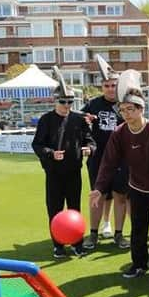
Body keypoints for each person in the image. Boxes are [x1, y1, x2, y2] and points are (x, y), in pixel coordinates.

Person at [90, 75, 149, 282]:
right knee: (138, 228)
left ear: (141, 109)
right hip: (136, 187)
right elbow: (108, 163)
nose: (126, 114)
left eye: (131, 109)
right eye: (122, 110)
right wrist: (99, 188)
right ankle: (139, 264)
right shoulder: (119, 133)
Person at [32, 74, 96, 258]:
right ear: (55, 100)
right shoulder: (45, 120)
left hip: (74, 172)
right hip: (53, 174)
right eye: (63, 101)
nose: (67, 105)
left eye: (70, 101)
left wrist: (89, 149)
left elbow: (91, 141)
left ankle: (77, 244)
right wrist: (51, 154)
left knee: (74, 209)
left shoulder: (79, 119)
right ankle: (58, 245)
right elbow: (37, 145)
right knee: (54, 209)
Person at [82, 62, 130, 250]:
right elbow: (81, 128)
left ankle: (119, 234)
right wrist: (85, 123)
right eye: (107, 85)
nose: (110, 89)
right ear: (102, 87)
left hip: (121, 160)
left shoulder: (126, 103)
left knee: (120, 196)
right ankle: (93, 234)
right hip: (97, 159)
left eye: (114, 85)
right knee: (97, 196)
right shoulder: (93, 104)